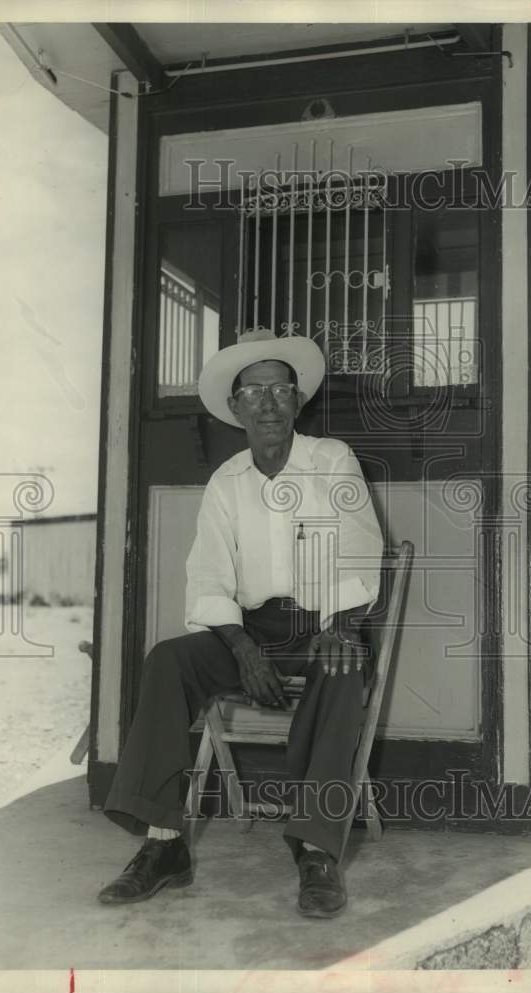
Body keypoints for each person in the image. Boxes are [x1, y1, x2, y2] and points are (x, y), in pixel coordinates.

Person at [98, 328, 383, 918]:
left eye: (280, 389)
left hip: (329, 623)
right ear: (235, 408)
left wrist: (341, 625)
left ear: (297, 399)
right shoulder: (225, 482)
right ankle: (164, 845)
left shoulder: (332, 460)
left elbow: (358, 546)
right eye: (253, 393)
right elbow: (208, 576)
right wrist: (243, 646)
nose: (268, 403)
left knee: (339, 663)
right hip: (250, 631)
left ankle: (315, 850)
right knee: (167, 661)